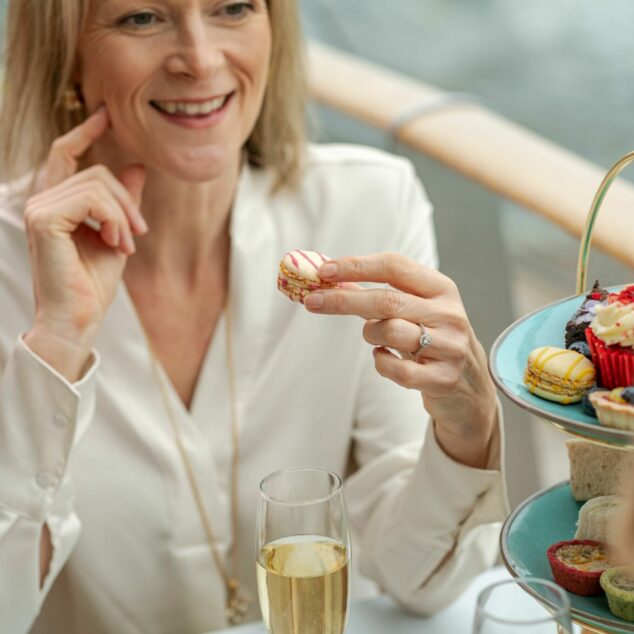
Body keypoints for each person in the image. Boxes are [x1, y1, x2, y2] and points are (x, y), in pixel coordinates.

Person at [0, 1, 509, 632]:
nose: (200, 59)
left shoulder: (369, 206)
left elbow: (421, 583)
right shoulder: (10, 264)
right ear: (65, 57)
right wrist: (57, 341)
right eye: (141, 18)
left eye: (234, 7)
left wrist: (469, 425)